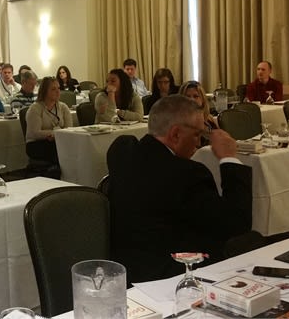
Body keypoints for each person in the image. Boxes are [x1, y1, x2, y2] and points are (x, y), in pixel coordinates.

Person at [107, 95, 252, 283]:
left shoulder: (122, 154)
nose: (199, 143)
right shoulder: (188, 174)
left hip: (123, 270)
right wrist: (229, 158)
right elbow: (237, 224)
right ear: (175, 134)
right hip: (173, 276)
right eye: (196, 135)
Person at [25, 76, 73, 164]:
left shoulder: (63, 107)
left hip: (58, 141)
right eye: (53, 89)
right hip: (36, 144)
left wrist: (56, 135)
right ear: (44, 91)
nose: (58, 92)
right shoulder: (35, 109)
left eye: (58, 88)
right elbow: (34, 133)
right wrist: (54, 134)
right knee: (58, 149)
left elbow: (69, 129)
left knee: (72, 145)